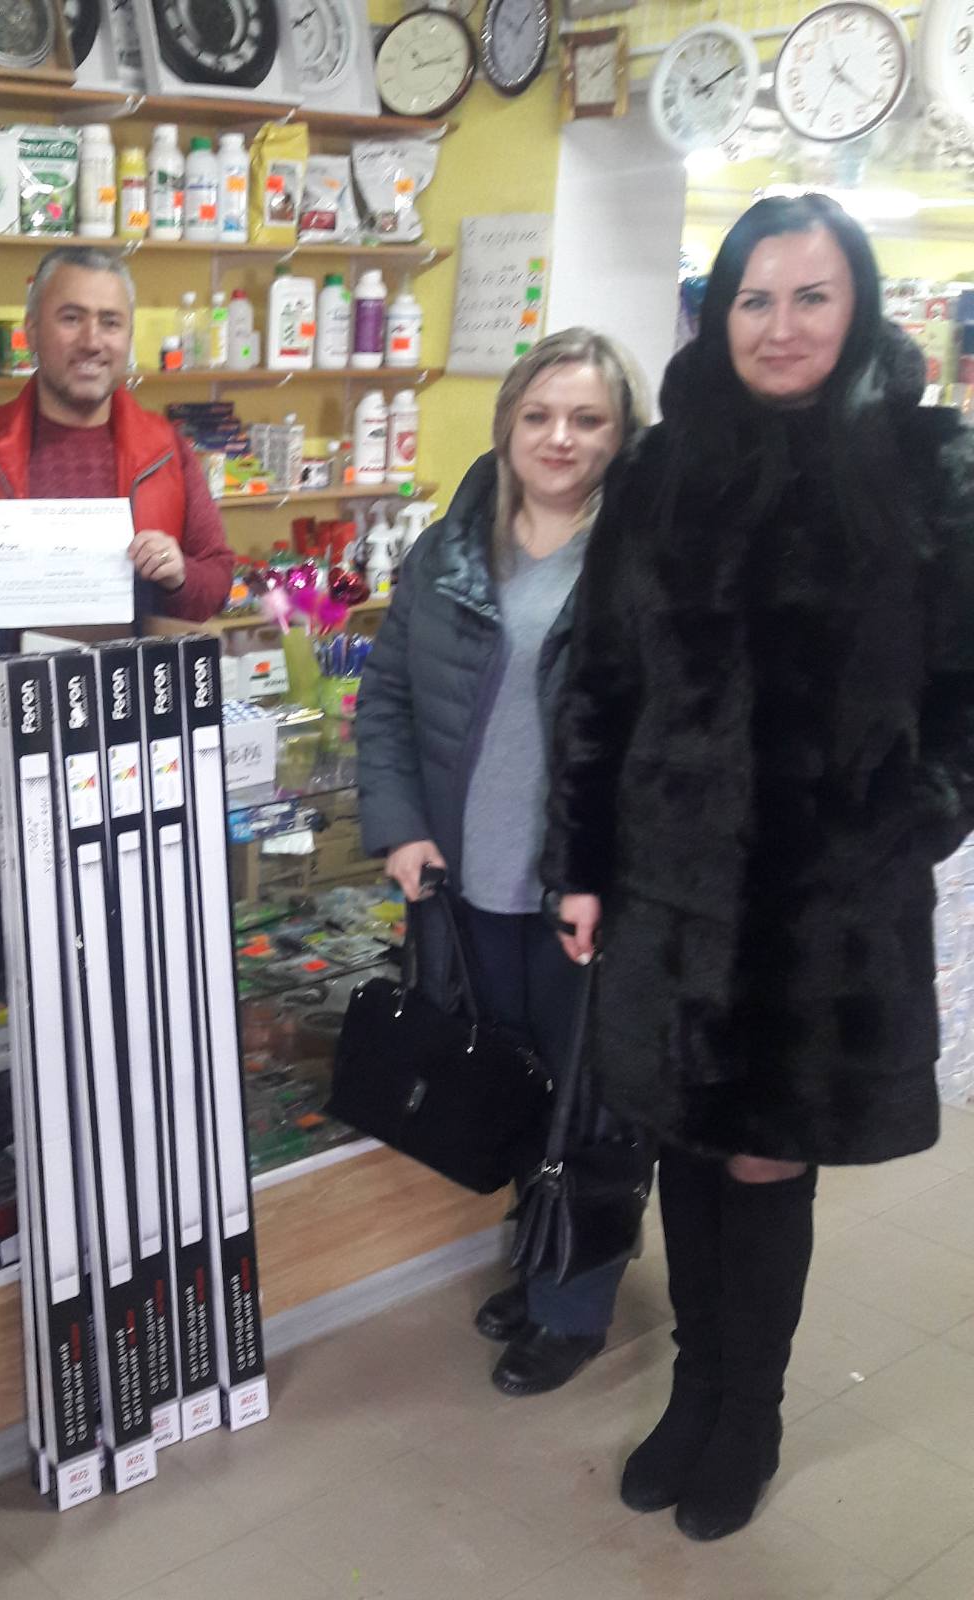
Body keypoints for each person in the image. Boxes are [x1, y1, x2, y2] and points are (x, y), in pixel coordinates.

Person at [543, 194, 974, 1541]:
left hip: (825, 908)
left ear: (857, 308)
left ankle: (752, 1410)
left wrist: (915, 813)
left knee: (767, 1159)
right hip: (671, 891)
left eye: (811, 296)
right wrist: (582, 862)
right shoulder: (664, 472)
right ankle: (693, 1389)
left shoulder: (929, 469)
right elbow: (602, 681)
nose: (780, 326)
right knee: (684, 1137)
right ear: (717, 311)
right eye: (753, 298)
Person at [356, 328, 650, 1397]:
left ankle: (575, 1304)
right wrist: (399, 828)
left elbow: (665, 743)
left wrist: (607, 872)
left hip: (583, 898)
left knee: (592, 1106)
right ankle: (536, 1260)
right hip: (465, 886)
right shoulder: (450, 550)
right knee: (515, 1087)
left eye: (587, 419)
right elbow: (387, 697)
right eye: (540, 415)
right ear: (508, 424)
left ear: (621, 435)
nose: (560, 438)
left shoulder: (644, 563)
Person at [0, 244, 235, 734]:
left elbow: (215, 583)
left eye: (110, 322)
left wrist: (179, 574)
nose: (92, 341)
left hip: (127, 727)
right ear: (32, 330)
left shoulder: (166, 451)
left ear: (127, 337)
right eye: (71, 318)